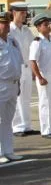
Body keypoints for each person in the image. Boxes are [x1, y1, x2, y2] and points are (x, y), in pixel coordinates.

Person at [29, 14, 51, 139]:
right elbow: (33, 61)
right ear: (38, 28)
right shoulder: (37, 43)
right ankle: (46, 130)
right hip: (44, 75)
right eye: (45, 25)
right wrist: (39, 77)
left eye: (49, 24)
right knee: (45, 103)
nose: (49, 26)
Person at [0, 11, 24, 163]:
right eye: (4, 23)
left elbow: (18, 63)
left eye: (8, 23)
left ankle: (8, 151)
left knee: (8, 120)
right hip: (1, 85)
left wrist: (19, 83)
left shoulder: (13, 41)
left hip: (13, 85)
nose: (7, 26)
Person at [9, 4, 34, 137]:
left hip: (27, 68)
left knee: (26, 98)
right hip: (16, 68)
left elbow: (32, 51)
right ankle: (17, 126)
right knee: (17, 98)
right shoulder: (9, 31)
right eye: (21, 12)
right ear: (13, 12)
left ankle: (27, 125)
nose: (25, 15)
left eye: (25, 12)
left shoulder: (27, 31)